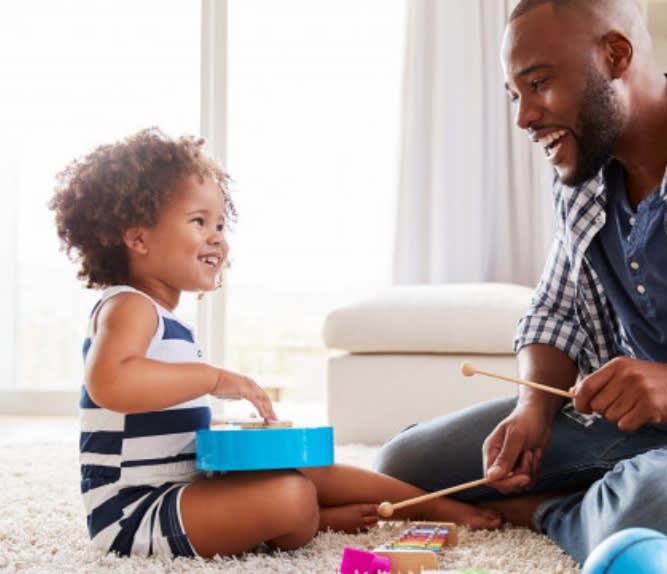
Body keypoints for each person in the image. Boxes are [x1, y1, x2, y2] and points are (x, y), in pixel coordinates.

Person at [374, 1, 667, 572]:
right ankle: (610, 495)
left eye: (539, 84)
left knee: (663, 521)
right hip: (634, 430)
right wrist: (534, 408)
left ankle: (547, 511)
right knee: (405, 461)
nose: (524, 117)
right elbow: (555, 311)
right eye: (515, 95)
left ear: (615, 55)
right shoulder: (582, 172)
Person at [49, 128, 500, 559]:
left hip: (184, 486)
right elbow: (112, 382)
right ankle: (316, 518)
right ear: (138, 237)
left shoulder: (166, 320)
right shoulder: (129, 306)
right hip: (135, 514)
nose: (217, 237)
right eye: (198, 221)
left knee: (302, 467)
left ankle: (430, 505)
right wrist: (215, 378)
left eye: (221, 224)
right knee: (292, 494)